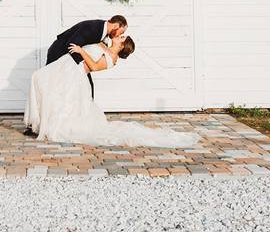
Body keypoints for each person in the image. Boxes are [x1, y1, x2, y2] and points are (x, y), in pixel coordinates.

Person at [24, 25, 201, 148]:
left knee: (46, 86)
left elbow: (92, 66)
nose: (119, 36)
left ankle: (45, 125)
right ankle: (38, 123)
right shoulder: (106, 45)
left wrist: (80, 51)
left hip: (74, 76)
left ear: (122, 45)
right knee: (40, 81)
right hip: (67, 68)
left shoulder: (111, 60)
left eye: (122, 37)